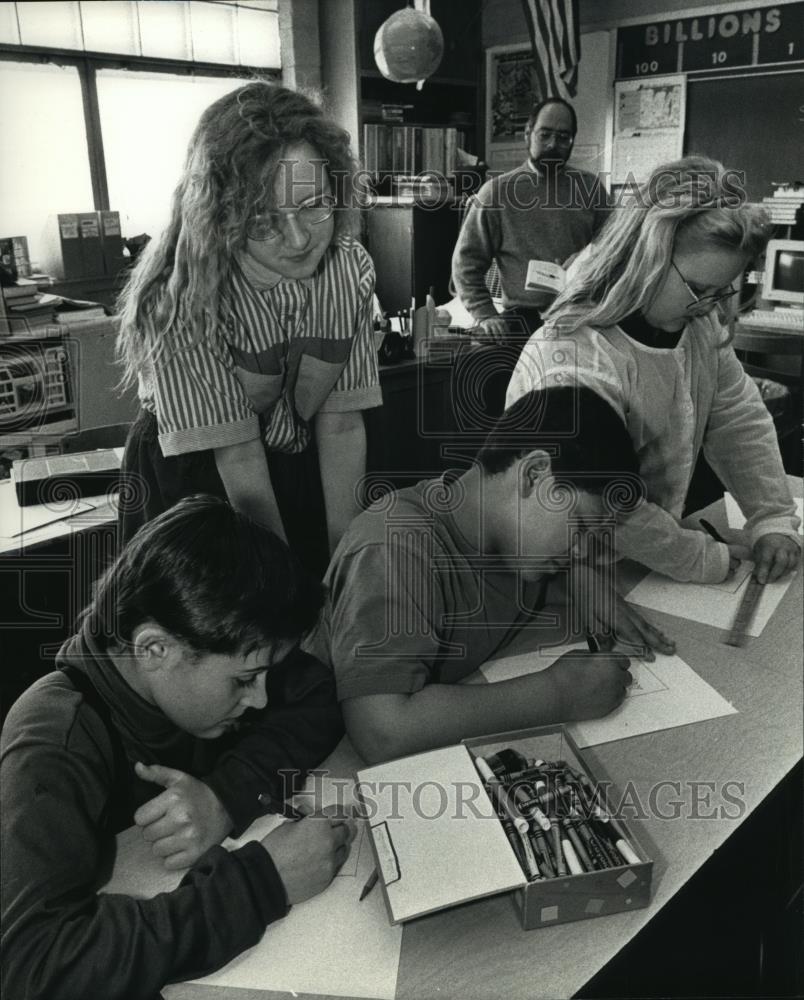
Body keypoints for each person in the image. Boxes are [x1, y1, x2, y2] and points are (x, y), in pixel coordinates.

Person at [1, 495, 354, 1000]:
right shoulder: (54, 742)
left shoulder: (210, 652)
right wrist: (261, 884)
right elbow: (33, 968)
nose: (259, 700)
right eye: (246, 680)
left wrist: (225, 796)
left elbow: (319, 694)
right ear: (155, 649)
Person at [307, 386, 676, 765]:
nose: (582, 551)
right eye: (581, 526)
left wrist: (581, 579)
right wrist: (557, 694)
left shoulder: (510, 539)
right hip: (324, 764)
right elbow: (380, 731)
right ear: (534, 475)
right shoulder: (393, 546)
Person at [117, 82, 382, 576]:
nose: (299, 239)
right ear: (223, 216)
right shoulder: (181, 300)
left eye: (314, 205)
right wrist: (279, 588)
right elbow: (238, 460)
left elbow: (341, 424)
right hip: (197, 470)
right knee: (234, 617)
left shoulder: (348, 269)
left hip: (288, 453)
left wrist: (345, 568)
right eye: (262, 220)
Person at [507, 155, 801, 584]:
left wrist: (773, 518)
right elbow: (603, 496)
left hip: (642, 554)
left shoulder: (699, 325)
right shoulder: (572, 355)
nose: (710, 307)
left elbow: (738, 421)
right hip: (556, 565)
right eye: (699, 289)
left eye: (723, 291)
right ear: (646, 256)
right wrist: (701, 558)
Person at [451, 97, 610, 344]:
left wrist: (587, 260)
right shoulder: (497, 193)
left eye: (563, 137)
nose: (552, 144)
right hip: (523, 322)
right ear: (528, 134)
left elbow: (616, 250)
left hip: (581, 318)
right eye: (544, 135)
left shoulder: (591, 189)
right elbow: (465, 262)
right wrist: (485, 314)